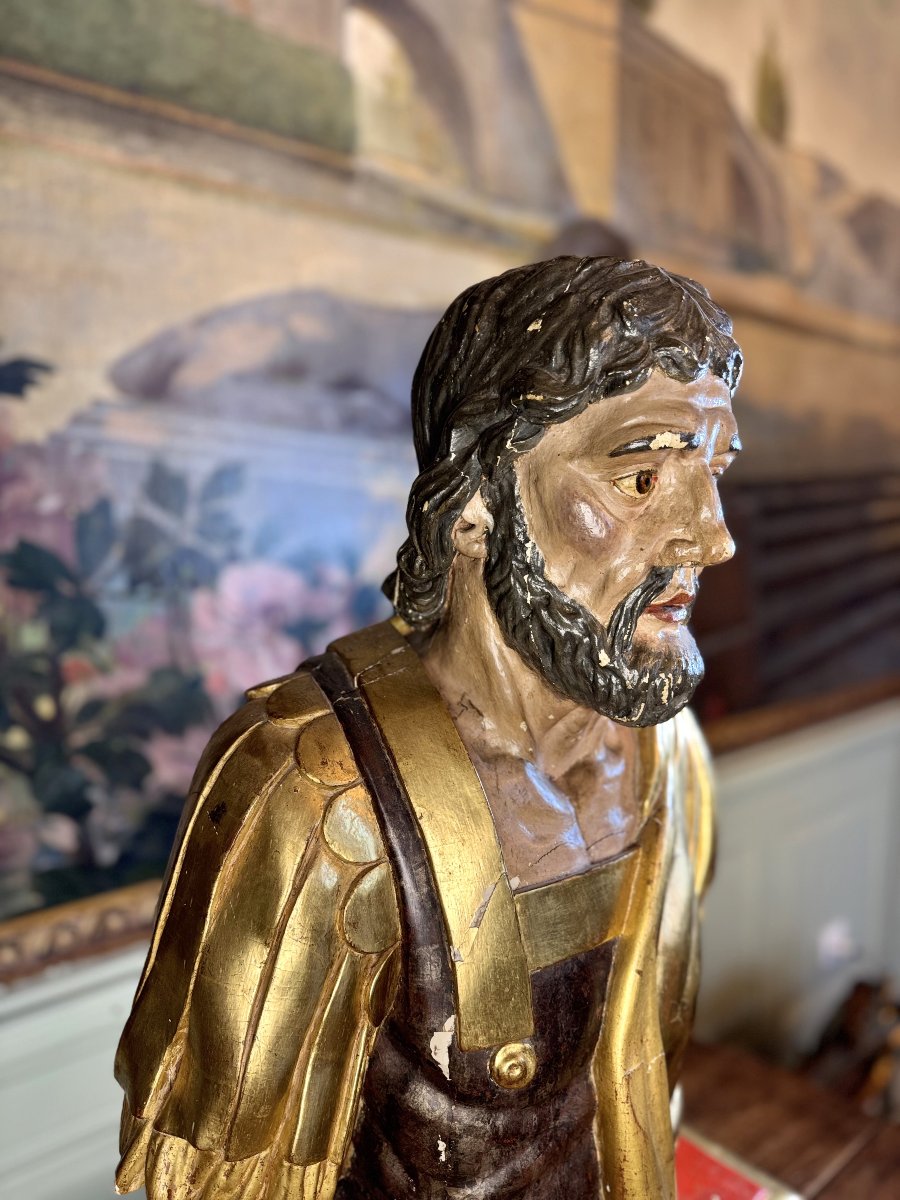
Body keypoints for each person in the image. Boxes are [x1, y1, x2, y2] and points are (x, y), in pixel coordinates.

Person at [114, 256, 743, 1200]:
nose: (713, 533)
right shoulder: (322, 793)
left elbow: (645, 1103)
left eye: (713, 469)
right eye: (645, 475)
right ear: (478, 504)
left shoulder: (671, 766)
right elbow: (223, 1182)